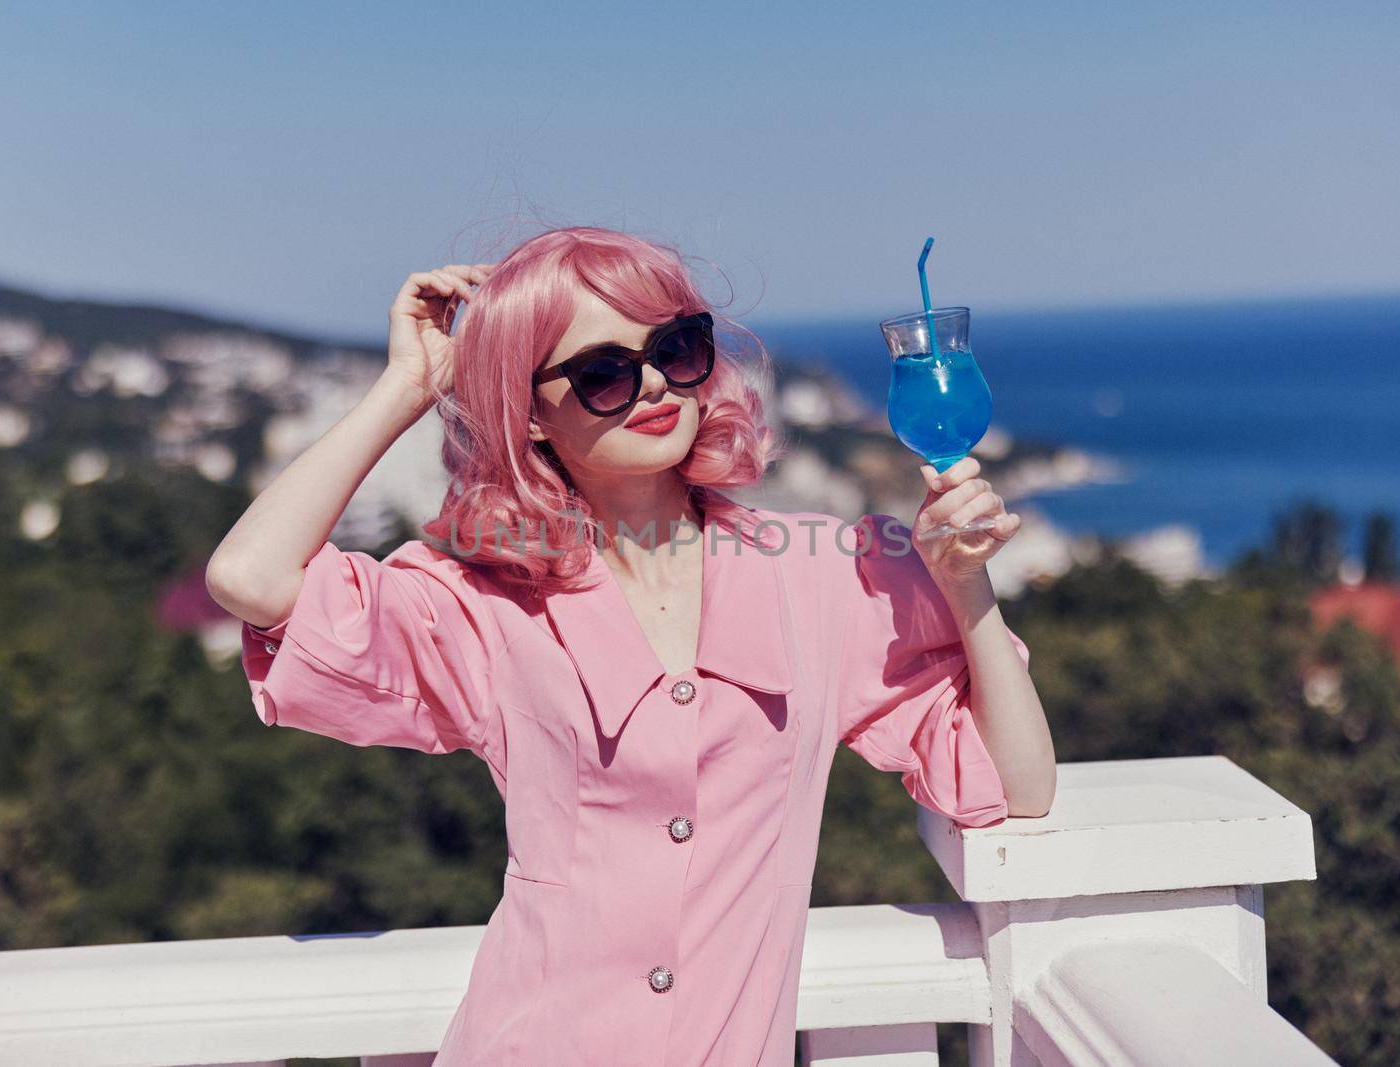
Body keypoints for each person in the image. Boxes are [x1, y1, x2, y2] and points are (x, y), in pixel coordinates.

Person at [206, 226, 1056, 1065]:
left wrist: (963, 583)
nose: (653, 384)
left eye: (678, 349)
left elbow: (1018, 784)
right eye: (603, 372)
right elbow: (250, 575)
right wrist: (410, 384)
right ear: (528, 415)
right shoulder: (485, 608)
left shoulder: (828, 577)